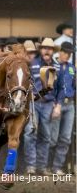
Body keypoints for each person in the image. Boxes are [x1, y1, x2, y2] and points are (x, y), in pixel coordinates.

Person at [23, 38, 63, 175]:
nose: (47, 50)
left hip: (48, 105)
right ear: (40, 50)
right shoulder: (32, 64)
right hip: (33, 103)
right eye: (45, 47)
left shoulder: (57, 67)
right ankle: (31, 166)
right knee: (30, 134)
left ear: (53, 51)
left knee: (46, 136)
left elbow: (61, 88)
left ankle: (41, 167)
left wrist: (58, 106)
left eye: (50, 48)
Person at [50, 41, 76, 175]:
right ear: (60, 52)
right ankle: (46, 165)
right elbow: (51, 87)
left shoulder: (72, 68)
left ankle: (57, 167)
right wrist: (54, 103)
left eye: (69, 53)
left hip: (70, 104)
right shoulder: (53, 66)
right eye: (65, 52)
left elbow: (74, 84)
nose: (66, 55)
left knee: (65, 138)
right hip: (55, 104)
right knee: (52, 137)